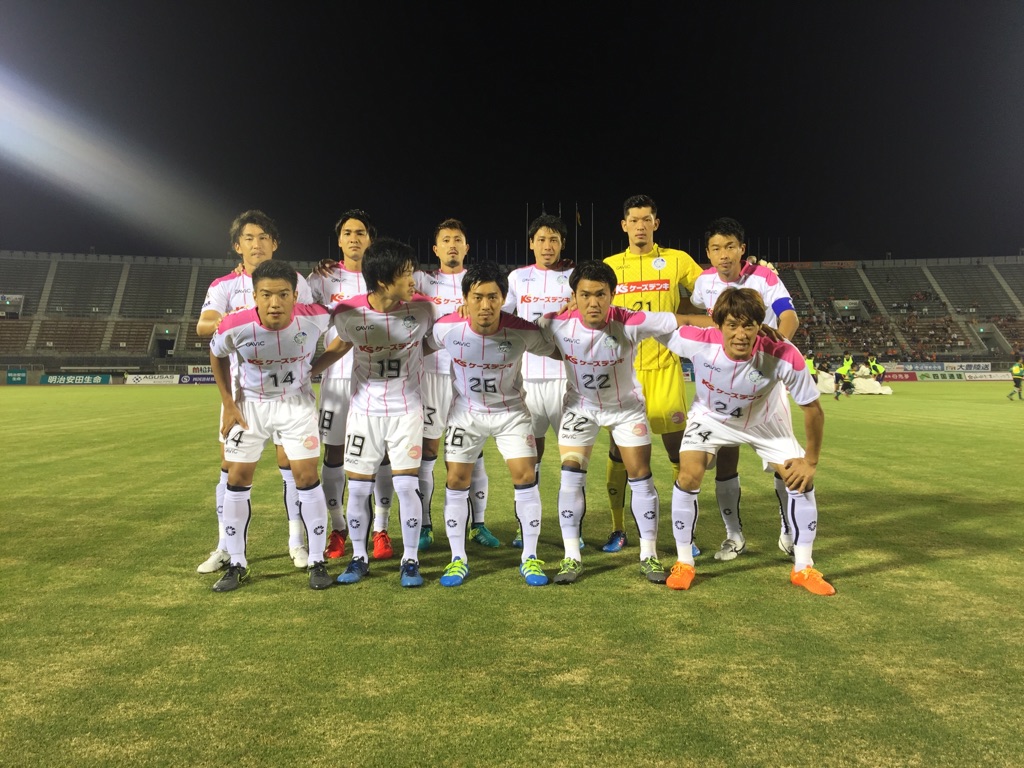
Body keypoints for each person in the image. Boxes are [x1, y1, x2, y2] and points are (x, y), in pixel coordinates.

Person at [658, 287, 835, 596]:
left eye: (748, 325)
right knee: (688, 475)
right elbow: (645, 323)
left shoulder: (783, 353)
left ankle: (803, 568)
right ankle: (684, 563)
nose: (740, 334)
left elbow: (813, 410)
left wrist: (811, 461)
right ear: (719, 325)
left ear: (759, 325)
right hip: (710, 418)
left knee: (799, 480)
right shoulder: (695, 340)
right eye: (732, 325)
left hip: (764, 422)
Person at [541, 261, 695, 584]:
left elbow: (681, 320)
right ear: (574, 296)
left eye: (600, 294)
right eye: (585, 295)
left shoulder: (630, 321)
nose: (593, 302)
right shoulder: (554, 322)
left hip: (625, 409)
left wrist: (733, 322)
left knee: (641, 476)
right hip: (580, 408)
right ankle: (571, 557)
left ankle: (649, 554)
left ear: (613, 294)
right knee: (570, 476)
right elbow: (511, 329)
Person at [195, 210, 314, 575]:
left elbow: (307, 318)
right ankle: (225, 547)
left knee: (292, 466)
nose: (256, 244)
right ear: (237, 246)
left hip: (290, 392)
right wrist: (247, 316)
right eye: (249, 238)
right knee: (230, 469)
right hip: (242, 395)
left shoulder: (295, 280)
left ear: (274, 244)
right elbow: (204, 326)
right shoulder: (224, 286)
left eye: (263, 237)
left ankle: (297, 541)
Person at [207, 259, 334, 592]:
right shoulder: (234, 325)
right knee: (236, 477)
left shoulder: (317, 316)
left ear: (295, 295)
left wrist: (316, 367)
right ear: (254, 296)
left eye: (282, 294)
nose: (274, 302)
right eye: (266, 295)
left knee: (306, 476)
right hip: (250, 407)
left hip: (296, 406)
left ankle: (317, 560)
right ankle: (237, 562)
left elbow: (347, 335)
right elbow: (216, 354)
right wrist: (228, 403)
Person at [432, 262, 556, 587]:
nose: (485, 305)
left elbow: (557, 350)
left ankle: (530, 557)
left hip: (510, 412)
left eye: (493, 297)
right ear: (465, 299)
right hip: (466, 412)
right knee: (456, 479)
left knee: (525, 475)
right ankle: (457, 559)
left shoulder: (523, 330)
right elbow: (420, 347)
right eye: (478, 297)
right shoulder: (446, 327)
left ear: (503, 298)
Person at [688, 217, 801, 563]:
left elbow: (788, 316)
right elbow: (699, 312)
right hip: (722, 384)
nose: (724, 255)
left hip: (763, 385)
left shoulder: (765, 278)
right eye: (716, 248)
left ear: (742, 249)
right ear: (708, 253)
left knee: (784, 462)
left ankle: (788, 531)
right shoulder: (703, 283)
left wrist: (776, 351)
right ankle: (734, 536)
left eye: (730, 247)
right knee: (725, 457)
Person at [325, 237, 435, 587]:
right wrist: (307, 369)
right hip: (364, 411)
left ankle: (410, 560)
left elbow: (436, 339)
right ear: (384, 281)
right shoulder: (347, 313)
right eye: (406, 273)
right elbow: (340, 345)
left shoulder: (423, 309)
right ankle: (359, 557)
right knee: (358, 489)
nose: (413, 280)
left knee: (407, 486)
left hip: (407, 409)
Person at [601, 194, 703, 553]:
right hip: (624, 372)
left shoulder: (677, 260)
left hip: (665, 368)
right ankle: (618, 528)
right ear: (624, 225)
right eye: (634, 219)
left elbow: (711, 290)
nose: (640, 226)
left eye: (647, 219)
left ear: (656, 223)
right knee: (619, 451)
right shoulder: (610, 266)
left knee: (678, 450)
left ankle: (684, 534)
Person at [307, 210, 396, 563]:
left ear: (370, 239)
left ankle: (381, 529)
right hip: (337, 377)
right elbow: (298, 309)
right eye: (348, 232)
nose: (354, 238)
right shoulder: (322, 278)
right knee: (334, 453)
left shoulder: (384, 275)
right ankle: (339, 527)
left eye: (360, 232)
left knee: (382, 453)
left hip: (376, 379)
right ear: (339, 239)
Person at [414, 218, 497, 552]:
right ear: (435, 249)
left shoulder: (478, 283)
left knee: (473, 451)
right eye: (445, 240)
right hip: (432, 374)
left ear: (466, 247)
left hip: (468, 375)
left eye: (457, 239)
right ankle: (425, 525)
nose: (452, 244)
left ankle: (478, 524)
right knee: (428, 451)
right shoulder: (421, 280)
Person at [503, 213, 575, 548]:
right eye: (542, 239)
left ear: (563, 244)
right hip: (528, 379)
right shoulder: (518, 278)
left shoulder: (574, 276)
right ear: (531, 243)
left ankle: (570, 529)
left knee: (573, 460)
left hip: (567, 378)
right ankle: (526, 526)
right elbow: (503, 316)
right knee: (530, 457)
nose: (548, 246)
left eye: (554, 240)